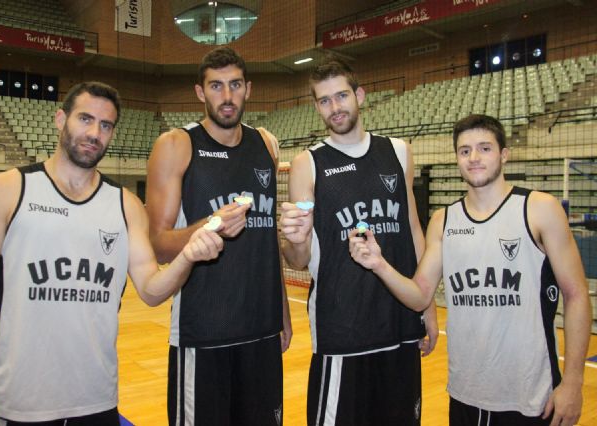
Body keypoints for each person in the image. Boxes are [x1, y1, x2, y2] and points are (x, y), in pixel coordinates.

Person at [0, 81, 224, 426]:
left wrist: (188, 255)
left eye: (106, 125)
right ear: (60, 119)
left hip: (96, 400)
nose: (95, 133)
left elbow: (152, 290)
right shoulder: (5, 191)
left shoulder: (126, 205)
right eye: (85, 119)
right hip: (17, 401)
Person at [348, 114, 592, 426]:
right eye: (465, 151)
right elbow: (420, 295)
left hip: (531, 395)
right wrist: (379, 264)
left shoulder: (539, 209)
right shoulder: (443, 221)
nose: (474, 157)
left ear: (504, 154)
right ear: (457, 159)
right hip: (466, 393)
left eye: (484, 148)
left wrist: (573, 382)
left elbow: (576, 295)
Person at [280, 57, 438, 425]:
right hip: (342, 329)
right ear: (316, 106)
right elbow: (297, 259)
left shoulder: (398, 151)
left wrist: (427, 305)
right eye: (324, 100)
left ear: (360, 95)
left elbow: (413, 229)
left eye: (341, 96)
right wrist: (295, 239)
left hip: (400, 322)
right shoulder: (307, 163)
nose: (335, 107)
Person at [146, 47, 292, 426]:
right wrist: (210, 225)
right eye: (216, 86)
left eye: (235, 85)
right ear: (200, 92)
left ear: (248, 89)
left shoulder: (266, 145)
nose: (227, 96)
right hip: (203, 332)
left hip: (262, 330)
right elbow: (158, 245)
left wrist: (282, 312)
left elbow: (267, 240)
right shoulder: (176, 145)